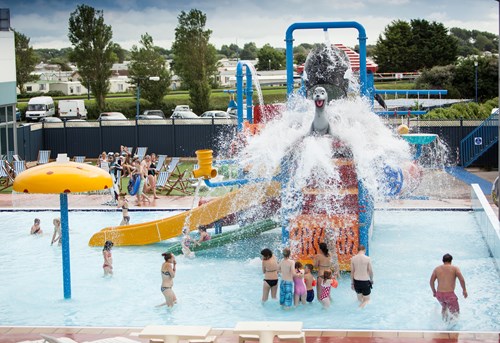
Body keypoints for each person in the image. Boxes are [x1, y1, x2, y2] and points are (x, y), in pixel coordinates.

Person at [430, 253, 468, 321]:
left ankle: (443, 323)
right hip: (450, 295)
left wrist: (434, 291)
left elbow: (431, 281)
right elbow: (461, 279)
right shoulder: (455, 268)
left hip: (439, 295)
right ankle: (451, 328)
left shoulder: (437, 269)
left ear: (443, 260)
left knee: (444, 308)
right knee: (455, 312)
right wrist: (464, 290)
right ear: (451, 260)